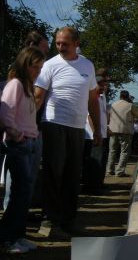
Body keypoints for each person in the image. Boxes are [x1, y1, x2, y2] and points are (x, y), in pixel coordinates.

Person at [34, 26, 101, 237]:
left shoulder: (87, 66)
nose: (60, 47)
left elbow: (93, 100)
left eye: (65, 44)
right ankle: (49, 221)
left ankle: (68, 219)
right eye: (58, 43)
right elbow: (38, 97)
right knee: (53, 172)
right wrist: (28, 123)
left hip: (77, 127)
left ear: (76, 44)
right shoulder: (49, 65)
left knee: (73, 174)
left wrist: (97, 128)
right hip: (54, 123)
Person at [0, 47, 45, 254]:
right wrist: (16, 133)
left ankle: (17, 235)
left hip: (27, 142)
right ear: (24, 64)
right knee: (20, 192)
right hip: (19, 143)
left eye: (40, 67)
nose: (37, 71)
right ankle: (8, 238)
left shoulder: (27, 85)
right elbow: (6, 111)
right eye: (34, 66)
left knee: (24, 192)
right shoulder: (16, 84)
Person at [106, 90, 138, 177]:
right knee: (124, 152)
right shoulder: (130, 105)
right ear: (128, 97)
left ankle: (109, 169)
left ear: (120, 96)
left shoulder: (112, 104)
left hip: (113, 130)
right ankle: (120, 171)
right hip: (125, 131)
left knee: (112, 151)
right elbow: (137, 114)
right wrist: (131, 102)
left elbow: (108, 115)